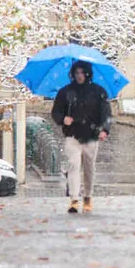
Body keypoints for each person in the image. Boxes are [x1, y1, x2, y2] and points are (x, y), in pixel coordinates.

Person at [50, 60, 111, 213]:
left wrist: (104, 130)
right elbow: (56, 111)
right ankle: (74, 198)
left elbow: (106, 113)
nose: (79, 76)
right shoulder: (65, 92)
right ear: (72, 74)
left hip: (91, 135)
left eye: (82, 72)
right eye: (77, 73)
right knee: (73, 165)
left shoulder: (98, 92)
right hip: (72, 135)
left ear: (88, 74)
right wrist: (63, 119)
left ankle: (88, 196)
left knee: (89, 168)